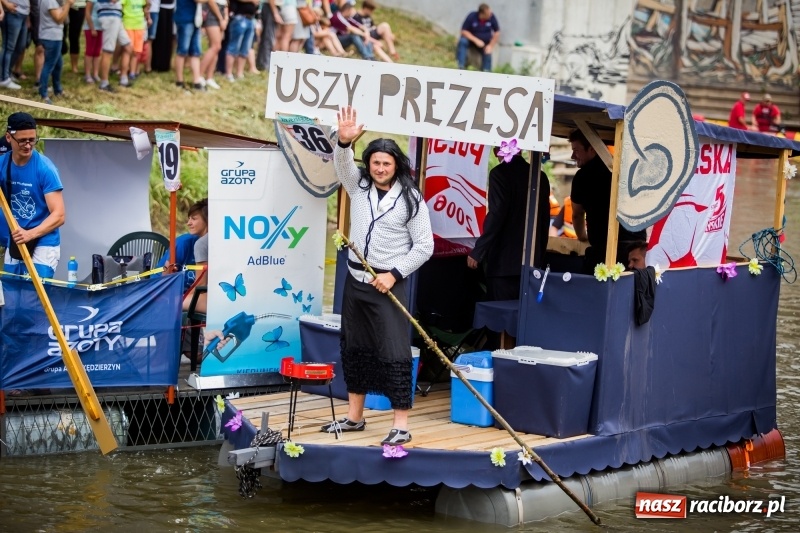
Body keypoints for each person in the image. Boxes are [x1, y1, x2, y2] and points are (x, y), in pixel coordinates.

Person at [321, 106, 433, 446]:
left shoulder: (411, 199)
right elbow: (342, 166)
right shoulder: (359, 187)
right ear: (368, 163)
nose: (380, 168)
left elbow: (424, 246)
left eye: (386, 163)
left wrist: (392, 274)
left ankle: (400, 424)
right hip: (356, 281)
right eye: (375, 162)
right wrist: (343, 142)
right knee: (354, 347)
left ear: (396, 165)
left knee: (394, 351)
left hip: (389, 286)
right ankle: (355, 417)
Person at [467, 149, 550, 301]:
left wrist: (478, 250)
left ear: (497, 151)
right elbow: (544, 221)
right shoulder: (540, 177)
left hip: (503, 263)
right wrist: (539, 256)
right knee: (524, 316)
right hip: (532, 263)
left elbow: (497, 213)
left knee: (500, 316)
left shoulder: (499, 174)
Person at [568, 129, 646, 272]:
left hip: (603, 252)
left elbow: (577, 214)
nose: (573, 156)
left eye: (576, 150)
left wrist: (582, 237)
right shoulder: (627, 170)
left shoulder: (582, 177)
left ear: (592, 149)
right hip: (636, 252)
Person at [1, 112, 66, 279]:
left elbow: (59, 215)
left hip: (43, 240)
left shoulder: (45, 168)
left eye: (32, 140)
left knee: (35, 299)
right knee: (11, 295)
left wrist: (30, 234)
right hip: (16, 238)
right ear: (9, 138)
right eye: (22, 140)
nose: (28, 145)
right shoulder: (2, 164)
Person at [88, 0, 134, 92]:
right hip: (109, 16)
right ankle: (104, 84)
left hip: (116, 16)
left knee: (128, 46)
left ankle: (123, 79)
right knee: (107, 51)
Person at [38, 0, 75, 104]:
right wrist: (67, 4)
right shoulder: (50, 1)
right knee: (49, 66)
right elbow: (59, 19)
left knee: (58, 64)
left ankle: (58, 90)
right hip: (51, 37)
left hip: (53, 36)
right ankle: (43, 94)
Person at [179, 198, 208, 312]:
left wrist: (182, 297)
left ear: (207, 220)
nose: (189, 223)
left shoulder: (201, 244)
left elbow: (201, 284)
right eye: (189, 218)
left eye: (194, 219)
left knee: (172, 304)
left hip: (214, 299)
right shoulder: (225, 235)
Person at [456, 3, 499, 72]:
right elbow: (463, 31)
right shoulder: (472, 16)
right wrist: (476, 40)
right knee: (462, 41)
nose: (490, 15)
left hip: (485, 44)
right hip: (472, 42)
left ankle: (486, 72)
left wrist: (490, 46)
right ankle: (461, 67)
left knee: (487, 51)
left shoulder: (492, 17)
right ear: (482, 13)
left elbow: (497, 32)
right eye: (488, 13)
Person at [0, 0, 25, 90]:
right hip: (12, 13)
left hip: (24, 14)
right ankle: (3, 78)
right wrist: (6, 4)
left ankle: (7, 73)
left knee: (20, 47)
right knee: (8, 47)